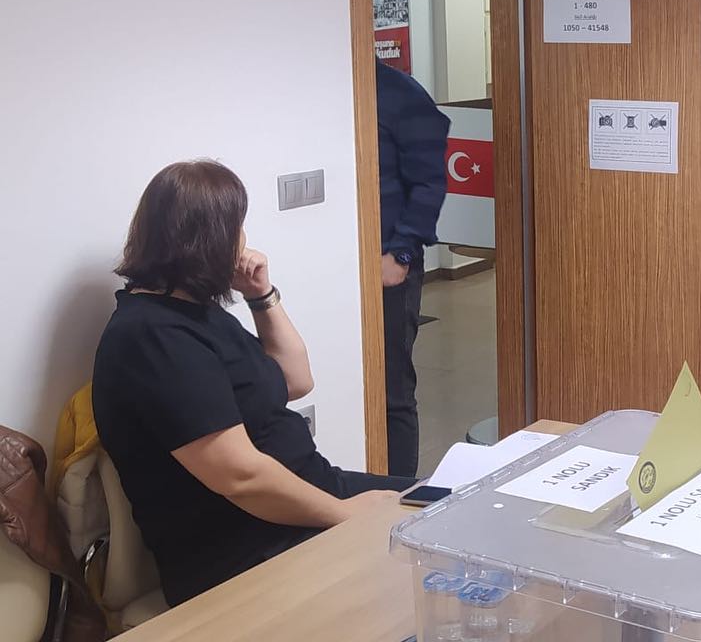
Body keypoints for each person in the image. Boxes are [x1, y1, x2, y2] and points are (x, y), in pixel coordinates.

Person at [92, 161, 414, 606]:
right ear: (208, 240)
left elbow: (296, 380)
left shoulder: (197, 312)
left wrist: (260, 295)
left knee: (455, 500)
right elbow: (240, 476)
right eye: (236, 228)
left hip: (312, 493)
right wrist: (345, 516)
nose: (243, 240)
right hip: (245, 549)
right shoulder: (151, 338)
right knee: (428, 558)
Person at [376, 60, 451, 477]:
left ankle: (399, 493)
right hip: (341, 264)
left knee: (393, 391)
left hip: (389, 264)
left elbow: (429, 181)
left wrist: (401, 253)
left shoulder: (400, 93)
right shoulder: (327, 91)